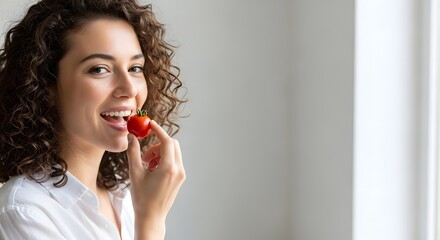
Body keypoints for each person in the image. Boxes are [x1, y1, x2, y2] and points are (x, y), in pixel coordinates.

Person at [0, 0, 186, 239]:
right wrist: (150, 221)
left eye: (135, 68)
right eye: (99, 69)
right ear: (46, 86)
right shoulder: (24, 212)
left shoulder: (123, 196)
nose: (129, 88)